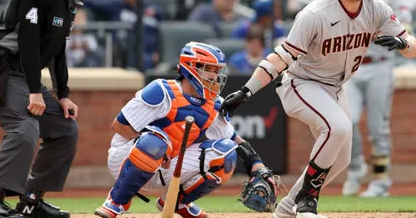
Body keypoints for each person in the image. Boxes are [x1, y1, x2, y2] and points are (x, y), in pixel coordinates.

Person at [219, 0, 416, 218]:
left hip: (337, 88)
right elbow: (281, 57)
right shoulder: (315, 13)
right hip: (301, 83)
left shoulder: (377, 8)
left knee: (341, 160)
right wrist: (247, 90)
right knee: (337, 128)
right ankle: (307, 203)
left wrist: (403, 44)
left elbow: (413, 47)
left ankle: (288, 208)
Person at [94, 42, 278, 218]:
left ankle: (176, 202)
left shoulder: (215, 104)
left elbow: (234, 140)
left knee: (227, 154)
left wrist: (257, 166)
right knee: (155, 142)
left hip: (168, 165)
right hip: (127, 159)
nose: (215, 76)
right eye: (209, 69)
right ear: (190, 67)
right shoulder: (161, 90)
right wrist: (158, 146)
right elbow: (120, 126)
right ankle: (116, 201)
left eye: (217, 70)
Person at [0, 0, 88, 217]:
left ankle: (31, 201)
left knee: (66, 129)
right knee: (24, 128)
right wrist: (35, 91)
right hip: (4, 69)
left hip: (25, 74)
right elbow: (27, 42)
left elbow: (57, 47)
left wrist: (63, 93)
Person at [341, 0, 414, 198]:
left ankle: (381, 183)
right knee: (346, 121)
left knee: (377, 127)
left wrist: (399, 38)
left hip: (381, 66)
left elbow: (406, 28)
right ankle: (356, 167)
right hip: (353, 65)